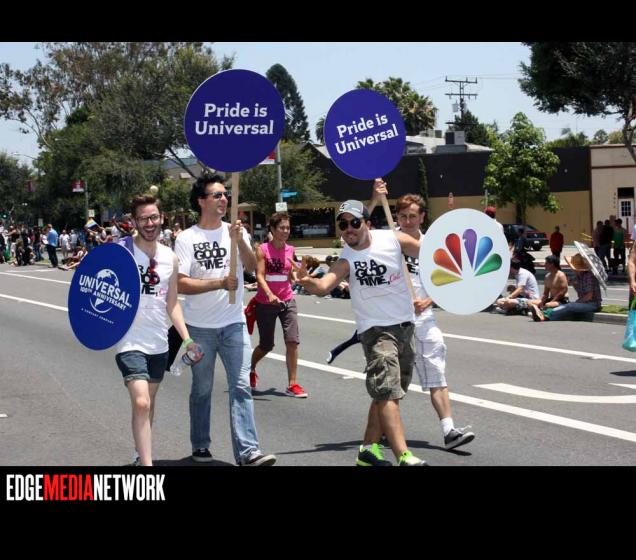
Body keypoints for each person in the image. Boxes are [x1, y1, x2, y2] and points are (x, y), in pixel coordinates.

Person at [294, 192, 427, 467]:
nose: (349, 229)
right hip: (375, 332)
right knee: (387, 392)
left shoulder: (393, 239)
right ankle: (403, 455)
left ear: (367, 223)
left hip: (405, 326)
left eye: (354, 222)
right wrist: (306, 281)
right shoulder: (346, 258)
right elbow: (323, 286)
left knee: (387, 393)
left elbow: (431, 256)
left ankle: (367, 450)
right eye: (343, 224)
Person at [174, 174, 276, 466]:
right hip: (199, 328)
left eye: (225, 194)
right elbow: (180, 283)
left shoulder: (235, 231)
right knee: (202, 389)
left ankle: (248, 452)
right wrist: (218, 283)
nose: (223, 199)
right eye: (216, 195)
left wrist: (239, 241)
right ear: (201, 201)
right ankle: (200, 445)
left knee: (241, 386)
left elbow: (251, 266)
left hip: (233, 324)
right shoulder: (186, 238)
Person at [369, 184, 475, 450]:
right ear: (397, 216)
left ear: (422, 217)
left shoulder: (433, 245)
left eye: (412, 216)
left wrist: (429, 300)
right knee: (391, 384)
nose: (407, 221)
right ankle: (379, 433)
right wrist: (375, 199)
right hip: (394, 323)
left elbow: (450, 280)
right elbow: (359, 229)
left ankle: (449, 430)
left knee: (436, 374)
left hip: (425, 320)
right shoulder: (387, 241)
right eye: (403, 216)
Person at [114, 194, 202, 467]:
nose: (149, 223)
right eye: (143, 218)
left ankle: (140, 454)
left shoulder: (170, 258)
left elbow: (172, 302)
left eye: (153, 217)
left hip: (158, 342)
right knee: (141, 402)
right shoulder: (122, 252)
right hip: (129, 340)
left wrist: (186, 339)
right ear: (134, 222)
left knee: (148, 403)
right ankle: (148, 466)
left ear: (161, 218)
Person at [249, 212, 307, 397]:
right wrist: (269, 294)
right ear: (273, 230)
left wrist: (300, 275)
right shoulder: (263, 249)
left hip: (287, 300)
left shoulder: (290, 250)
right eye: (282, 227)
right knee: (266, 345)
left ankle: (292, 384)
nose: (286, 231)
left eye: (288, 228)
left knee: (292, 341)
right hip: (266, 302)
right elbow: (259, 275)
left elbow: (291, 276)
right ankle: (250, 367)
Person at [531, 253, 602, 321]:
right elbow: (581, 293)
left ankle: (545, 315)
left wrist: (577, 302)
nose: (571, 268)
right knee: (568, 307)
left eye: (572, 267)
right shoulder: (579, 276)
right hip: (585, 303)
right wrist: (575, 284)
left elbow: (589, 296)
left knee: (569, 306)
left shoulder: (589, 276)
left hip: (592, 304)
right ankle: (546, 314)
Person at [528, 255, 570, 321]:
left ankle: (540, 314)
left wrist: (552, 301)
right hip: (551, 299)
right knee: (530, 302)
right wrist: (542, 302)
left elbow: (563, 291)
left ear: (552, 264)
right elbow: (545, 293)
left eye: (546, 263)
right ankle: (538, 311)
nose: (544, 265)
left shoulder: (561, 275)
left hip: (561, 300)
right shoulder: (547, 276)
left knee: (548, 305)